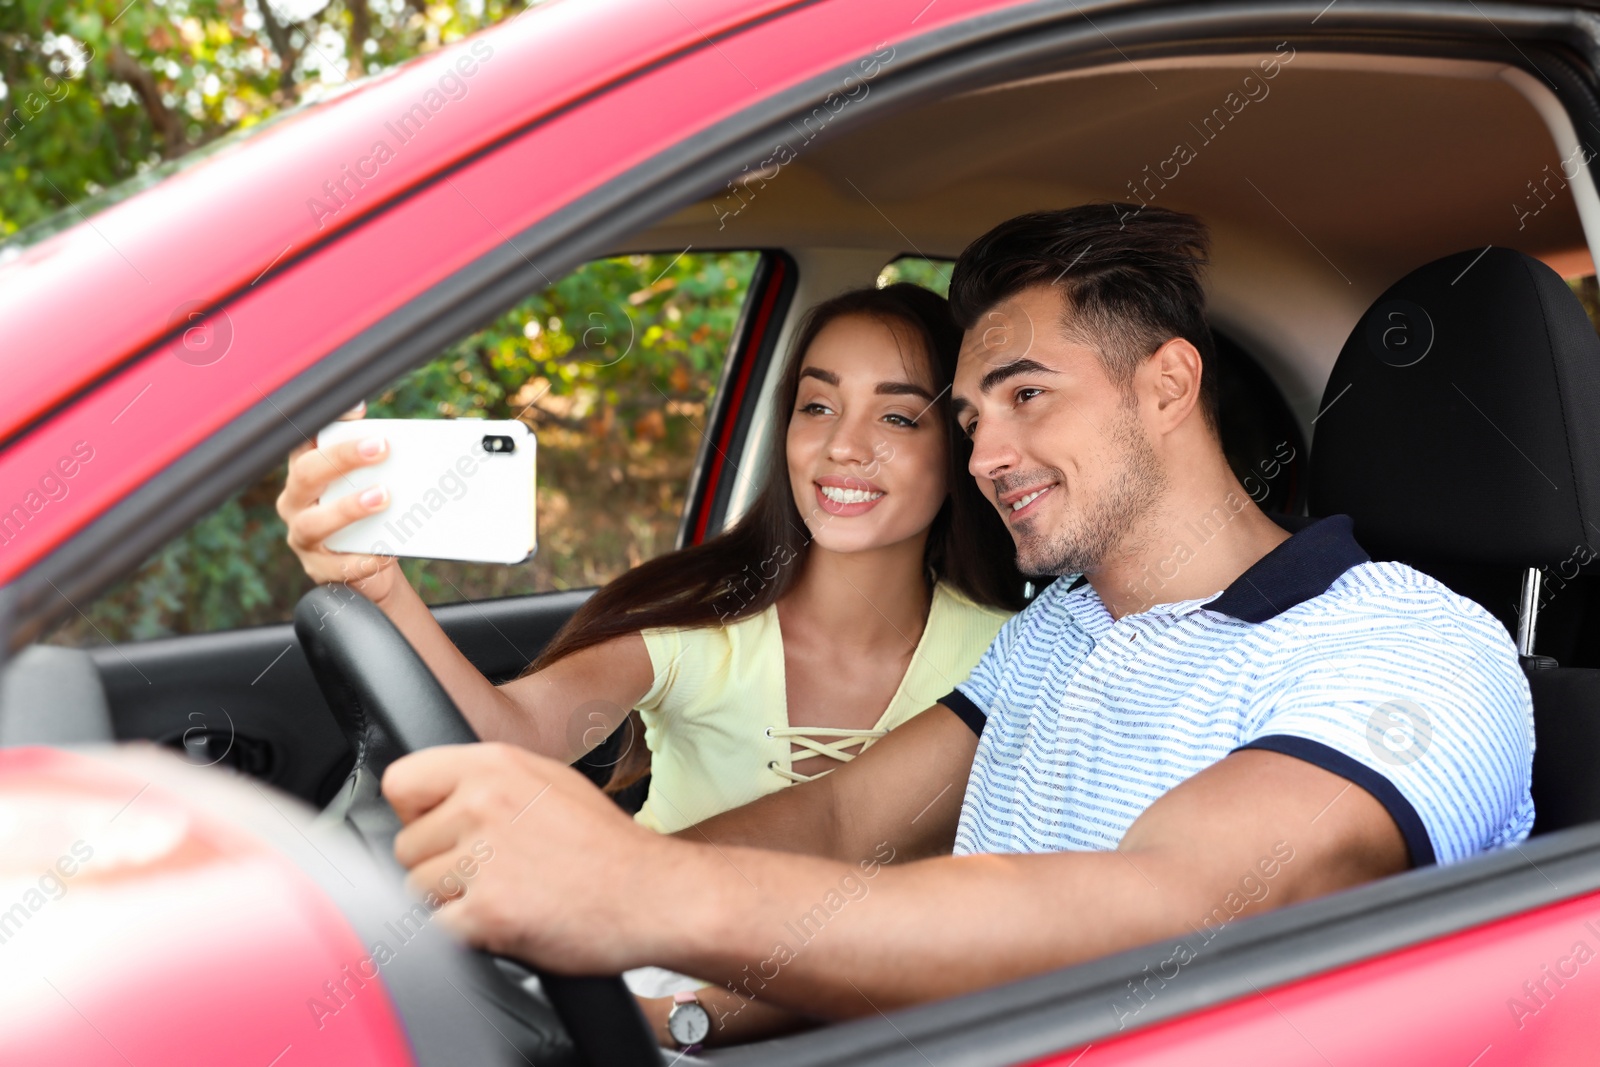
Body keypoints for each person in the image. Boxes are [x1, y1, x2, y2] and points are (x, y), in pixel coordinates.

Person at [377, 204, 1534, 1043]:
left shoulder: (1409, 651)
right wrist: (647, 973)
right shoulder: (1059, 630)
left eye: (1029, 395)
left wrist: (633, 889)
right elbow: (843, 820)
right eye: (972, 415)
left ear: (1169, 386)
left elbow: (1170, 912)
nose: (986, 456)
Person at [276, 283, 1027, 1044]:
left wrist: (674, 1021)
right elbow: (510, 734)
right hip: (633, 962)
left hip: (871, 1018)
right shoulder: (705, 612)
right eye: (817, 406)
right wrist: (382, 586)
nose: (843, 446)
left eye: (897, 416)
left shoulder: (1014, 652)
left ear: (960, 445)